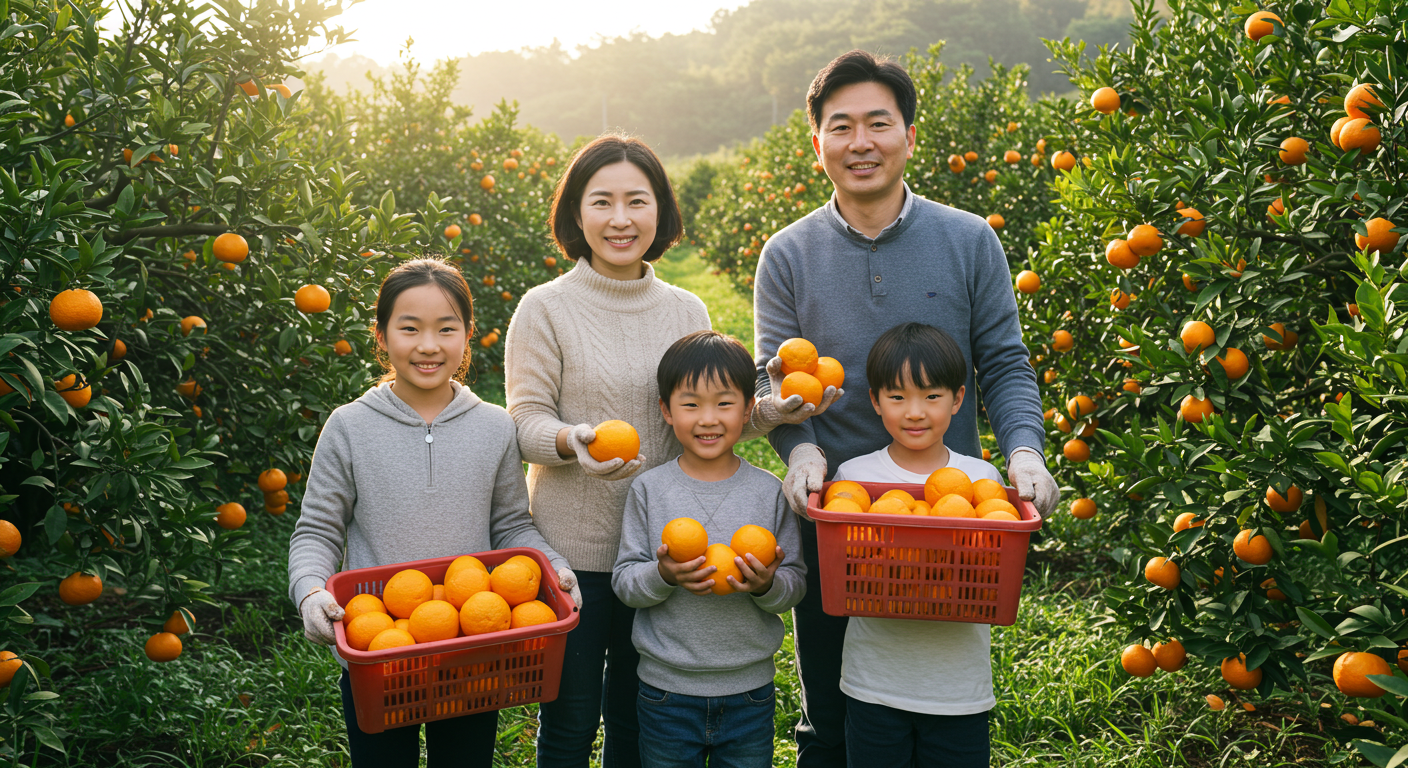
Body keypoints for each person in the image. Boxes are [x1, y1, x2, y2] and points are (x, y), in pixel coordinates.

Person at [751, 50, 1058, 767]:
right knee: (831, 713)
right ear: (817, 142)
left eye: (879, 123)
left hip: (949, 510)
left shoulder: (969, 239)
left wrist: (1023, 450)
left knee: (937, 695)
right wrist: (800, 454)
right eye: (842, 126)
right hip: (838, 512)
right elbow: (775, 387)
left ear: (910, 137)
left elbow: (1006, 363)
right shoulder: (787, 254)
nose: (861, 142)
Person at [287, 258, 579, 768]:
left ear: (468, 334)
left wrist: (551, 564)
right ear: (381, 335)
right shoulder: (349, 427)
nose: (428, 345)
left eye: (446, 328)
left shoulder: (493, 427)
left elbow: (512, 524)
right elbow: (317, 529)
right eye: (409, 328)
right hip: (377, 647)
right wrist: (311, 589)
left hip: (470, 644)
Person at [504, 134, 706, 768]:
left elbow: (703, 414)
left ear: (660, 211)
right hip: (573, 552)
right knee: (568, 721)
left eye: (637, 201)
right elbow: (525, 421)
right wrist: (572, 442)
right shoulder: (545, 308)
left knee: (637, 717)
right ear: (576, 213)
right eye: (602, 202)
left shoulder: (686, 309)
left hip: (659, 544)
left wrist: (767, 412)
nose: (621, 220)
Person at [612, 329, 807, 768]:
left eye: (724, 403)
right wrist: (663, 576)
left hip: (749, 692)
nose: (708, 418)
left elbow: (795, 584)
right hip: (666, 692)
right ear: (666, 410)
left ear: (748, 409)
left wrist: (765, 584)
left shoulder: (769, 492)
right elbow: (625, 582)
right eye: (690, 404)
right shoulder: (650, 490)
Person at [832, 322, 1000, 767]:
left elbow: (989, 573)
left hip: (958, 689)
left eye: (931, 396)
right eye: (897, 396)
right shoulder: (853, 480)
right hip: (874, 683)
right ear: (874, 400)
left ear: (958, 399)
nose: (914, 412)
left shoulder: (982, 482)